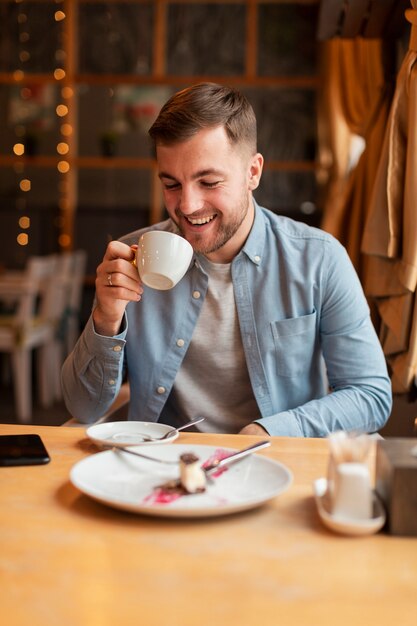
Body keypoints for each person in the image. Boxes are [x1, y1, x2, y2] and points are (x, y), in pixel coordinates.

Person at [62, 82, 392, 437]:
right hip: (165, 469)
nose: (187, 206)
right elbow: (83, 408)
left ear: (253, 173)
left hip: (277, 464)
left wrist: (271, 431)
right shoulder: (132, 258)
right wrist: (106, 319)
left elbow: (370, 395)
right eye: (172, 184)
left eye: (208, 182)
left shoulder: (319, 258)